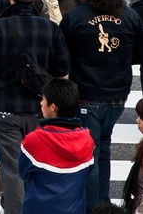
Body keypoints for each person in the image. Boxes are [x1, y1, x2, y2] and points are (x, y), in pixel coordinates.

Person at [0, 0, 72, 214]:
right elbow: (62, 68)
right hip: (41, 110)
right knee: (39, 167)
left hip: (6, 110)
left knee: (12, 171)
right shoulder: (50, 29)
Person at [60, 0, 143, 211]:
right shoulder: (129, 16)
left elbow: (61, 58)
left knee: (90, 156)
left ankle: (93, 208)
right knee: (104, 149)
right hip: (117, 97)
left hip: (86, 96)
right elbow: (142, 54)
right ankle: (103, 204)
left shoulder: (74, 18)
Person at [18, 78, 95, 213]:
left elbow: (23, 173)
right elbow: (88, 171)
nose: (41, 103)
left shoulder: (33, 141)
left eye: (43, 99)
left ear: (53, 107)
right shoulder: (87, 140)